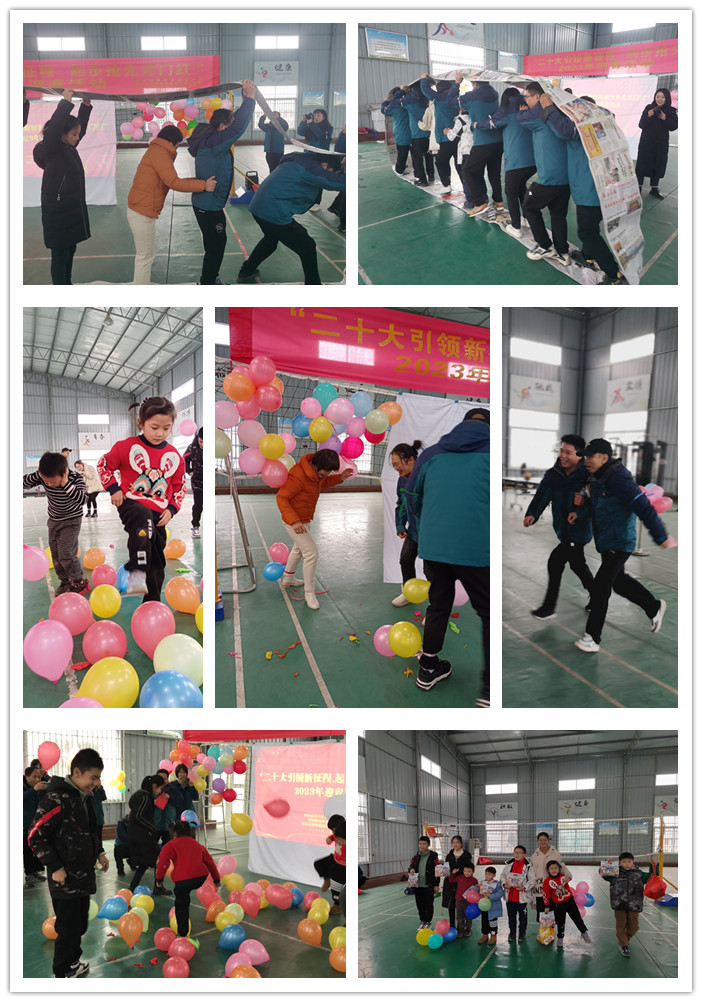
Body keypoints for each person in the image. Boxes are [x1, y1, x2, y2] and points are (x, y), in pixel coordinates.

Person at [402, 413, 490, 704]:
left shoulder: (432, 455)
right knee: (489, 614)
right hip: (477, 549)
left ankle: (427, 668)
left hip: (435, 549)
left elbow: (412, 495)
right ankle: (490, 689)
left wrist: (426, 530)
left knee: (438, 605)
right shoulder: (493, 453)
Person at [569, 438, 671, 652]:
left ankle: (592, 638)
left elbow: (644, 507)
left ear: (604, 457)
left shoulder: (619, 479)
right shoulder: (595, 476)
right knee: (619, 582)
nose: (586, 460)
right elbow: (597, 506)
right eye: (585, 456)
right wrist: (580, 512)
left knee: (601, 587)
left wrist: (660, 535)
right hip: (606, 540)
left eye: (590, 456)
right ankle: (653, 607)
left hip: (620, 541)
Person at [27, 748, 109, 978]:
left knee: (80, 925)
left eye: (98, 778)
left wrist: (100, 852)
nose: (97, 783)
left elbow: (90, 831)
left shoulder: (85, 797)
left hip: (82, 876)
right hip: (64, 880)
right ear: (77, 772)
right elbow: (35, 835)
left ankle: (73, 962)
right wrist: (54, 866)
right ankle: (62, 972)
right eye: (93, 777)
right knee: (68, 929)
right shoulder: (56, 798)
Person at [97, 396, 185, 600]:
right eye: (154, 427)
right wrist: (114, 489)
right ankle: (136, 572)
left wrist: (171, 509)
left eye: (166, 428)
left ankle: (152, 601)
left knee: (157, 560)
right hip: (131, 505)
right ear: (141, 423)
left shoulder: (174, 456)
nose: (160, 433)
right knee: (142, 517)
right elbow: (103, 465)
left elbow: (179, 486)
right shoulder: (126, 446)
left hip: (159, 514)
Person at [539, 94, 626, 284]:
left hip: (590, 189)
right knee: (590, 224)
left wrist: (548, 108)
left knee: (587, 232)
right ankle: (587, 255)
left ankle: (614, 274)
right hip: (595, 187)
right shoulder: (602, 122)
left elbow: (563, 131)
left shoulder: (583, 126)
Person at [238, 151, 346, 285]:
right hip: (273, 212)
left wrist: (341, 165)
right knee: (307, 246)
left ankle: (246, 270)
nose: (331, 173)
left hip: (259, 207)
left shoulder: (299, 161)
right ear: (324, 165)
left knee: (270, 240)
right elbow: (334, 181)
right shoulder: (311, 169)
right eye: (331, 171)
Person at [127, 124, 216, 284]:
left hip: (141, 208)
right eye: (178, 144)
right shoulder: (160, 153)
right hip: (141, 211)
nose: (177, 147)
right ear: (172, 141)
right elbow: (174, 182)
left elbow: (171, 180)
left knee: (144, 255)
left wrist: (199, 181)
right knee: (145, 256)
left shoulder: (157, 150)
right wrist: (203, 185)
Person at [187, 81, 257, 284]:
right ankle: (207, 282)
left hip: (211, 204)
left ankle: (210, 279)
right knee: (215, 246)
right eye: (229, 123)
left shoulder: (212, 140)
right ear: (220, 127)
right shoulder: (214, 143)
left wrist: (245, 99)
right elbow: (236, 129)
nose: (232, 127)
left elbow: (233, 126)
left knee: (218, 243)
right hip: (207, 205)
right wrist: (250, 100)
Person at [523, 434, 595, 619]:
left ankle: (549, 607)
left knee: (555, 561)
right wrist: (532, 513)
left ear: (579, 455)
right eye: (561, 450)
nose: (562, 455)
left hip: (579, 529)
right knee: (577, 565)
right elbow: (542, 495)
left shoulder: (588, 476)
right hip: (562, 528)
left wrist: (581, 510)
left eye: (568, 452)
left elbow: (597, 503)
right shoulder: (553, 474)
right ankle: (598, 596)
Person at [275, 449, 354, 608]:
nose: (327, 474)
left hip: (304, 519)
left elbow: (324, 481)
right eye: (326, 471)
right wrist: (294, 522)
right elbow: (282, 498)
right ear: (316, 465)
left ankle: (288, 578)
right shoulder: (299, 475)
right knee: (311, 554)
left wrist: (340, 477)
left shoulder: (317, 475)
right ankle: (309, 593)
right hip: (294, 522)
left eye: (330, 472)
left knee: (298, 549)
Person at [32, 89, 92, 285]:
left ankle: (67, 284)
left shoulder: (68, 147)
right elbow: (55, 127)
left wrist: (85, 107)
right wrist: (65, 103)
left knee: (70, 250)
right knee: (60, 255)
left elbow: (80, 129)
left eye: (77, 134)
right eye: (74, 134)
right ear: (61, 134)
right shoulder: (52, 149)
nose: (77, 137)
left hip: (70, 210)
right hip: (58, 212)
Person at [517, 82, 571, 265]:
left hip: (550, 176)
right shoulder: (557, 112)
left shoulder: (538, 113)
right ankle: (563, 252)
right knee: (558, 214)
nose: (526, 100)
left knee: (528, 206)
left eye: (527, 97)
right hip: (565, 176)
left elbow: (520, 119)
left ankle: (545, 246)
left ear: (538, 97)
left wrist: (523, 111)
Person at [23, 451, 88, 595]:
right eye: (46, 482)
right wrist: (39, 475)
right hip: (54, 520)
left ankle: (78, 582)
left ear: (64, 473)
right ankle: (65, 581)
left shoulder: (75, 478)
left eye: (54, 482)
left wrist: (66, 484)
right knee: (56, 555)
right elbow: (23, 483)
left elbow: (83, 499)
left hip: (71, 521)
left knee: (66, 554)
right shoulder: (43, 476)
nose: (50, 485)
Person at [476, 87, 536, 235]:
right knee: (521, 187)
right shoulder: (528, 108)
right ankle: (527, 219)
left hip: (516, 161)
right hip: (532, 161)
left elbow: (490, 123)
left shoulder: (507, 110)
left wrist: (477, 124)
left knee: (510, 192)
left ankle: (516, 227)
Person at [155, 819, 221, 936]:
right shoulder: (198, 845)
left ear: (175, 833)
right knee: (186, 888)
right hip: (200, 878)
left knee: (181, 905)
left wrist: (159, 880)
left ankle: (183, 933)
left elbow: (162, 864)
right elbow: (210, 863)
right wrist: (216, 880)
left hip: (183, 881)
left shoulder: (170, 845)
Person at [458, 76, 504, 217]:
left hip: (483, 141)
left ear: (475, 83)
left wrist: (457, 83)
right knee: (494, 174)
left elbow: (453, 101)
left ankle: (479, 203)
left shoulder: (472, 96)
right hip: (498, 140)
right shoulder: (495, 94)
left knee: (467, 171)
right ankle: (499, 202)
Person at [600, 852, 656, 957]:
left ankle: (624, 939)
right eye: (624, 862)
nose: (627, 864)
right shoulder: (615, 873)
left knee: (634, 927)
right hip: (619, 904)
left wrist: (653, 866)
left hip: (634, 904)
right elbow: (603, 874)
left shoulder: (639, 874)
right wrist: (607, 863)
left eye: (629, 861)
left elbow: (651, 876)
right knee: (621, 926)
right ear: (620, 863)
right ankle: (623, 945)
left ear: (633, 862)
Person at [390, 440, 423, 607]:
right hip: (414, 530)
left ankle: (436, 606)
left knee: (432, 569)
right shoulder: (402, 479)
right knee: (405, 559)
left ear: (410, 460)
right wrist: (400, 525)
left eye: (398, 464)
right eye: (394, 465)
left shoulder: (426, 476)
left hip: (430, 531)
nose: (396, 468)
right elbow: (401, 504)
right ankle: (409, 593)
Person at [127, 774, 169, 894]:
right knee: (159, 859)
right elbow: (138, 815)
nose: (159, 791)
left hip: (138, 834)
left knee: (145, 863)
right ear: (154, 786)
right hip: (142, 835)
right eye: (159, 788)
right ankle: (158, 887)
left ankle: (133, 888)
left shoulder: (140, 795)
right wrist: (151, 828)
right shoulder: (145, 797)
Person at [420, 72, 461, 193]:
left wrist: (424, 79)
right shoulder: (456, 98)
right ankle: (470, 190)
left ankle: (446, 185)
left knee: (440, 161)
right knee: (459, 164)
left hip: (446, 136)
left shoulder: (440, 98)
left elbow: (425, 90)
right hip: (458, 136)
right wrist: (456, 83)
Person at [635, 89, 678, 199]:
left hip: (661, 144)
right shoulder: (649, 108)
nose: (660, 99)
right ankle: (638, 187)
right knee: (642, 164)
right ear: (654, 97)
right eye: (658, 96)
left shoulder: (671, 111)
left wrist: (665, 118)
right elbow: (641, 125)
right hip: (646, 143)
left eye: (663, 97)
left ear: (667, 98)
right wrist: (648, 116)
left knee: (658, 164)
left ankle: (654, 188)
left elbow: (673, 127)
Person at [543, 860, 592, 947]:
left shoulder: (563, 877)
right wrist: (547, 906)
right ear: (548, 870)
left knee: (577, 917)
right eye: (551, 868)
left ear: (559, 869)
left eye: (556, 868)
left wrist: (566, 879)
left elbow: (568, 879)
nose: (554, 870)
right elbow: (545, 895)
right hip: (558, 905)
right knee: (560, 921)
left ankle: (584, 932)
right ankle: (560, 937)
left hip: (569, 901)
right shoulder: (547, 882)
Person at [529, 832, 572, 919]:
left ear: (548, 840)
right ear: (537, 841)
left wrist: (568, 875)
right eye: (540, 840)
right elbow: (531, 872)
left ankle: (555, 927)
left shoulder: (555, 853)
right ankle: (543, 928)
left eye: (545, 840)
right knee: (542, 914)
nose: (543, 842)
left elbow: (561, 866)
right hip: (540, 889)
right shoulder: (534, 856)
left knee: (556, 914)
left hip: (554, 889)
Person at [297, 108, 333, 209]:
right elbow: (300, 132)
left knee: (318, 178)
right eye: (314, 115)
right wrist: (303, 122)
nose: (316, 117)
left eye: (318, 115)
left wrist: (312, 124)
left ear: (324, 117)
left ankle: (317, 202)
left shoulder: (328, 128)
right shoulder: (311, 126)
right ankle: (307, 199)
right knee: (308, 177)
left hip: (320, 156)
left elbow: (321, 135)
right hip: (308, 155)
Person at [500, 845, 536, 942]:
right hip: (510, 897)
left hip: (522, 898)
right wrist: (504, 884)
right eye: (515, 852)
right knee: (511, 917)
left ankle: (522, 934)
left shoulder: (528, 866)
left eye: (520, 853)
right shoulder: (509, 865)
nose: (517, 854)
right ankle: (512, 933)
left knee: (523, 917)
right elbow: (503, 876)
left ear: (524, 854)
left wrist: (524, 888)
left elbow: (532, 880)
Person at [401, 84, 434, 187]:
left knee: (417, 159)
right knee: (429, 156)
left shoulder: (409, 102)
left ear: (412, 89)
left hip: (416, 135)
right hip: (428, 134)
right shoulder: (426, 101)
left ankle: (422, 180)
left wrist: (403, 91)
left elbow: (400, 102)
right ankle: (431, 175)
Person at [313, 814, 346, 914]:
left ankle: (337, 906)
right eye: (332, 831)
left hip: (343, 866)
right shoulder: (335, 834)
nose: (333, 833)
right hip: (335, 859)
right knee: (318, 864)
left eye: (334, 830)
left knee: (336, 887)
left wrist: (345, 842)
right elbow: (332, 837)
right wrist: (330, 839)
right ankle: (327, 878)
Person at [23, 765, 49, 887]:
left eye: (39, 776)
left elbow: (50, 785)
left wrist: (46, 777)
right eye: (35, 777)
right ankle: (28, 874)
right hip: (24, 824)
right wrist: (34, 789)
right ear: (26, 776)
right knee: (27, 850)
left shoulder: (38, 787)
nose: (38, 779)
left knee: (36, 848)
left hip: (36, 823)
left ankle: (35, 871)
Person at [408, 836, 440, 930]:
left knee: (428, 904)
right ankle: (422, 921)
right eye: (420, 844)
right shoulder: (415, 857)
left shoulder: (433, 856)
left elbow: (438, 870)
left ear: (428, 845)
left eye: (424, 844)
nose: (422, 846)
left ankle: (428, 922)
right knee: (420, 904)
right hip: (417, 885)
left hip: (429, 885)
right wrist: (411, 869)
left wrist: (436, 884)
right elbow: (410, 866)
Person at [441, 834, 472, 929]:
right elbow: (446, 870)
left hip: (462, 884)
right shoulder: (449, 856)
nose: (455, 844)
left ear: (461, 844)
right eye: (453, 842)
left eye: (457, 842)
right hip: (450, 883)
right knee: (451, 905)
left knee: (462, 905)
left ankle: (462, 925)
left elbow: (469, 869)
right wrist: (444, 869)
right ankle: (452, 925)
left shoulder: (466, 855)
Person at [381, 88, 411, 175]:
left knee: (402, 153)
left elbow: (384, 110)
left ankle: (399, 170)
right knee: (415, 154)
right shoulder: (409, 102)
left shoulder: (394, 105)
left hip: (402, 133)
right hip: (414, 132)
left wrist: (385, 101)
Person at [164, 763, 199, 832]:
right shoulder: (173, 785)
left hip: (189, 813)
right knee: (179, 832)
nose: (182, 774)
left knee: (190, 832)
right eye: (180, 772)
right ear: (177, 774)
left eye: (184, 773)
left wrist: (192, 787)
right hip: (178, 813)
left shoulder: (189, 785)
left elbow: (195, 797)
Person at [449, 862, 479, 938]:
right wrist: (453, 873)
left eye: (469, 871)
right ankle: (460, 929)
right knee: (459, 915)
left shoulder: (474, 881)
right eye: (465, 871)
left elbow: (476, 891)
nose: (466, 873)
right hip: (459, 900)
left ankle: (468, 928)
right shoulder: (460, 877)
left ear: (473, 871)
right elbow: (451, 880)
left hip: (469, 902)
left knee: (468, 915)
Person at [183, 428, 203, 538]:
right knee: (198, 505)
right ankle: (195, 527)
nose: (203, 444)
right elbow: (184, 460)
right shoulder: (192, 447)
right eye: (201, 441)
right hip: (197, 481)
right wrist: (189, 471)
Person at [477, 867, 503, 945]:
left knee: (493, 922)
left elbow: (500, 893)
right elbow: (477, 891)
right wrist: (478, 887)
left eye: (489, 874)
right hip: (484, 907)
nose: (487, 876)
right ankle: (485, 935)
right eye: (486, 874)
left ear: (494, 875)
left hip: (493, 908)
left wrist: (490, 896)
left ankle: (493, 935)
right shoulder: (482, 882)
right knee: (484, 921)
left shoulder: (497, 884)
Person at [328, 125, 346, 231]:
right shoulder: (343, 134)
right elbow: (338, 149)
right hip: (344, 167)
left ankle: (335, 208)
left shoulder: (328, 127)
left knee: (344, 192)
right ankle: (344, 223)